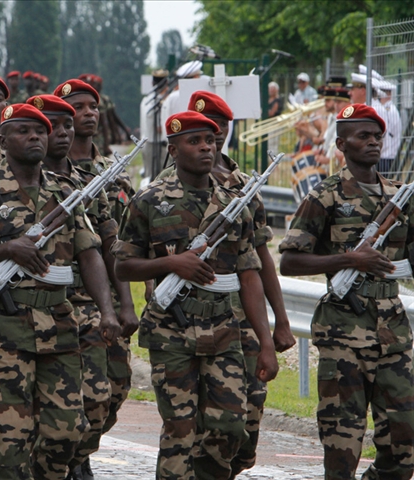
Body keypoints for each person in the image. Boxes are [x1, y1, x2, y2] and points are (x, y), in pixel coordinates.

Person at [0, 103, 120, 479]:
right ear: (5, 139)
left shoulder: (66, 191)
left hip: (59, 323)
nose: (36, 138)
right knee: (13, 437)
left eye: (40, 132)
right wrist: (6, 250)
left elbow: (89, 254)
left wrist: (107, 310)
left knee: (65, 432)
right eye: (25, 131)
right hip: (4, 325)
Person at [113, 111, 277, 480]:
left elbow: (249, 275)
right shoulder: (149, 200)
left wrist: (265, 341)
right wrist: (172, 264)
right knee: (180, 429)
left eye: (210, 140)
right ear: (173, 150)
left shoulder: (235, 203)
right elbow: (123, 266)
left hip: (224, 328)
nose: (206, 147)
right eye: (194, 141)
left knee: (229, 428)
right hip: (172, 331)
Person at [279, 103, 414, 480]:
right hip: (343, 333)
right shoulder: (325, 196)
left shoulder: (400, 197)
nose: (372, 142)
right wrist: (349, 259)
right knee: (342, 444)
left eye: (377, 136)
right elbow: (289, 261)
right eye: (363, 136)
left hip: (392, 333)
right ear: (342, 144)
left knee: (405, 441)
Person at [165, 91, 293, 478]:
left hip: (242, 316)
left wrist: (280, 322)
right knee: (189, 426)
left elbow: (260, 258)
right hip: (183, 318)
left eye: (218, 129)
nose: (211, 137)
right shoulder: (165, 186)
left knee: (243, 423)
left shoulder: (244, 188)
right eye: (203, 130)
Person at [29, 94, 135, 480]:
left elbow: (110, 246)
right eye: (51, 126)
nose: (60, 133)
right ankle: (55, 461)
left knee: (108, 392)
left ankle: (73, 454)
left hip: (88, 301)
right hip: (31, 305)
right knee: (42, 402)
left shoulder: (87, 183)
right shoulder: (6, 181)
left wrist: (123, 306)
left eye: (65, 126)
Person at [267, 82, 283, 154]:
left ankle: (273, 162)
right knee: (269, 145)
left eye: (273, 89)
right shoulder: (267, 99)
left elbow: (272, 113)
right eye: (270, 89)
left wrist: (264, 112)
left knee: (273, 144)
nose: (271, 91)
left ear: (277, 90)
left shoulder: (277, 100)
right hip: (268, 124)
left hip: (275, 124)